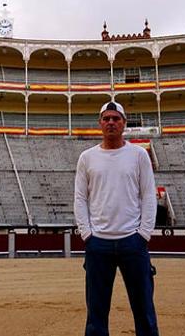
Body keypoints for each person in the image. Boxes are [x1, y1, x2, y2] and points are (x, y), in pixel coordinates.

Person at [74, 101, 159, 336]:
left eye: (116, 118)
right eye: (106, 118)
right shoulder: (87, 158)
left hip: (133, 241)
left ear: (124, 122)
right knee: (96, 313)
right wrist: (87, 234)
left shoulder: (139, 155)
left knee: (144, 309)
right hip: (98, 243)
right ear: (100, 123)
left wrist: (143, 234)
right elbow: (80, 198)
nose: (111, 122)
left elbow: (148, 196)